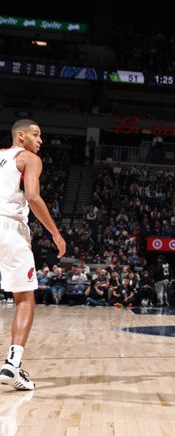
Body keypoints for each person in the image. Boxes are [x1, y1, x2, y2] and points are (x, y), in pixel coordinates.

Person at [0, 119, 66, 390]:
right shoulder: (29, 158)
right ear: (20, 135)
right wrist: (55, 233)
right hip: (10, 229)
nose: (40, 140)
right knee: (25, 298)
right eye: (36, 134)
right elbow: (33, 196)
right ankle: (12, 366)